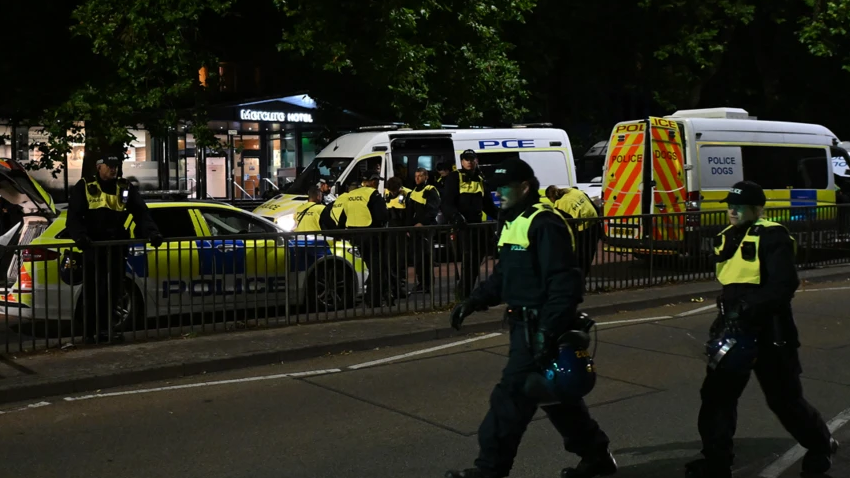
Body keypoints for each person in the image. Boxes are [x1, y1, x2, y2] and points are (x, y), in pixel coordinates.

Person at [446, 157, 616, 478]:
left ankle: (489, 470)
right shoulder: (513, 221)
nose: (498, 195)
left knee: (510, 398)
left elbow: (565, 283)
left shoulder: (545, 223)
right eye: (495, 190)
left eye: (505, 188)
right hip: (524, 326)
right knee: (557, 397)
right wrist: (473, 301)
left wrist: (547, 332)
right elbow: (504, 276)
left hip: (541, 326)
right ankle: (596, 457)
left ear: (525, 187)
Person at [687, 180, 839, 478]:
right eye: (730, 204)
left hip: (772, 332)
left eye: (739, 205)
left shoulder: (772, 235)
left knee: (784, 400)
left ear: (757, 208)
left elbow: (784, 284)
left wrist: (746, 308)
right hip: (733, 331)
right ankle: (717, 462)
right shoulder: (727, 236)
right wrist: (728, 317)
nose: (732, 210)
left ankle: (821, 445)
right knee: (717, 398)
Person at [66, 155, 162, 344]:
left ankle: (106, 330)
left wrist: (152, 233)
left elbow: (141, 213)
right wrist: (80, 237)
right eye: (109, 166)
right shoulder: (85, 186)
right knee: (93, 291)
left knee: (114, 291)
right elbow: (74, 217)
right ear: (99, 167)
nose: (113, 169)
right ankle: (88, 333)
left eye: (116, 166)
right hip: (93, 248)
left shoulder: (124, 187)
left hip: (117, 247)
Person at [440, 149, 499, 299]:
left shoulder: (480, 178)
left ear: (476, 161)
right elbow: (447, 203)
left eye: (472, 159)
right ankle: (463, 295)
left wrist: (502, 216)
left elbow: (488, 204)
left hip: (477, 226)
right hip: (462, 227)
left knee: (476, 261)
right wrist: (455, 216)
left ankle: (465, 293)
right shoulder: (455, 177)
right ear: (462, 161)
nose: (469, 161)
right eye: (466, 159)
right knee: (469, 260)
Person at [338, 172, 390, 306]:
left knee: (363, 267)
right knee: (376, 268)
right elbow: (382, 216)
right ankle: (374, 300)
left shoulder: (350, 196)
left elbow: (342, 218)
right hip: (371, 235)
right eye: (377, 181)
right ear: (371, 182)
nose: (378, 184)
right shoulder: (373, 194)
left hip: (353, 236)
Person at [546, 185, 601, 278]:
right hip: (595, 225)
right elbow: (591, 203)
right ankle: (582, 277)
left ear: (551, 198)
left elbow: (568, 224)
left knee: (581, 257)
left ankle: (580, 279)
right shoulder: (573, 191)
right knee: (589, 254)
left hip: (583, 230)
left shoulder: (560, 204)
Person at [408, 168, 441, 294]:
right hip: (415, 229)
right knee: (417, 257)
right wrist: (409, 226)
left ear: (426, 177)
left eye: (420, 176)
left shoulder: (430, 190)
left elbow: (433, 209)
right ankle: (421, 282)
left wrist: (423, 222)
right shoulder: (413, 192)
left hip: (426, 228)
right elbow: (410, 212)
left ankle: (427, 284)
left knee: (425, 256)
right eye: (416, 176)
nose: (417, 178)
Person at [385, 177, 413, 296]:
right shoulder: (386, 192)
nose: (393, 193)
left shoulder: (407, 193)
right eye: (391, 191)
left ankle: (400, 285)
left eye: (394, 191)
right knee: (390, 259)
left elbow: (409, 213)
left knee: (400, 259)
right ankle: (393, 287)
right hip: (390, 229)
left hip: (401, 229)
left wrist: (407, 229)